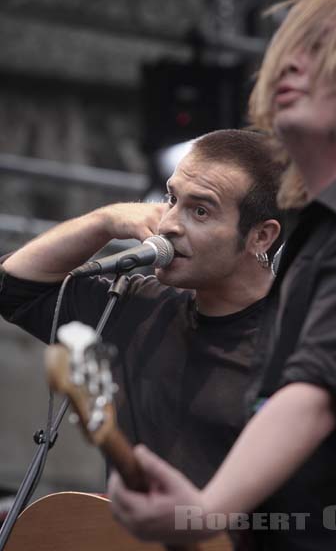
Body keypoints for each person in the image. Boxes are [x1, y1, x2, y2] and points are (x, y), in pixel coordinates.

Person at [106, 0, 336, 551]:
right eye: (287, 45)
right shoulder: (324, 231)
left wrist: (206, 510)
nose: (288, 60)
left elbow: (318, 386)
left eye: (321, 48)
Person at [0, 129, 284, 492]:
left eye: (200, 210)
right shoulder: (136, 306)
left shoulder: (297, 344)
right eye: (171, 198)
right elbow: (15, 287)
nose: (168, 225)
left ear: (261, 236)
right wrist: (105, 221)